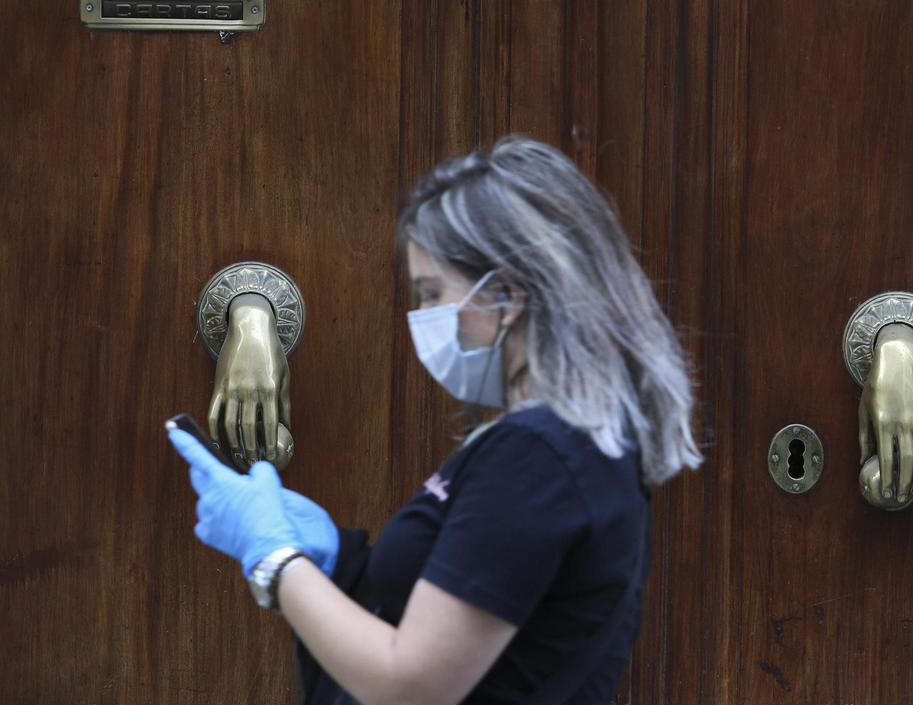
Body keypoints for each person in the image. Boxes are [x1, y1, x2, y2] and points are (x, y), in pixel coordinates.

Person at [167, 133, 704, 705]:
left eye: (431, 292)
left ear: (505, 292)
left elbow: (413, 686)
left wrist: (275, 558)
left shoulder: (539, 458)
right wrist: (337, 562)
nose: (420, 316)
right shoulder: (552, 443)